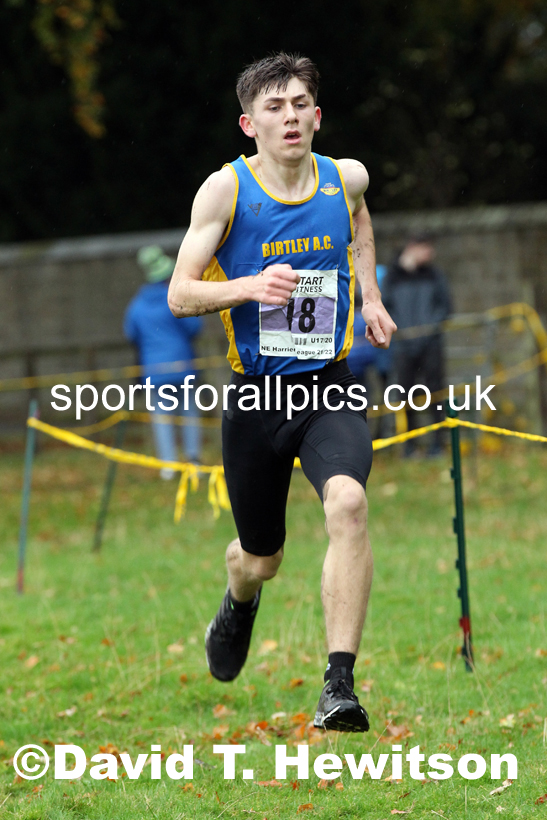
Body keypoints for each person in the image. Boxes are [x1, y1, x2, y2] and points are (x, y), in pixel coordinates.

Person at [168, 53, 396, 732]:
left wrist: (371, 295)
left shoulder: (344, 179)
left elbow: (359, 222)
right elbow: (180, 292)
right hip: (256, 398)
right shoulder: (224, 193)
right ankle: (238, 599)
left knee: (348, 502)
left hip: (328, 388)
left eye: (300, 104)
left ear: (316, 116)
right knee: (260, 558)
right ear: (249, 124)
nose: (289, 116)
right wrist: (247, 287)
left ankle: (338, 688)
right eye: (274, 107)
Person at [124, 245, 203, 477]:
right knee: (189, 414)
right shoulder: (175, 299)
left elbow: (131, 334)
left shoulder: (136, 306)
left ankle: (168, 467)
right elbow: (194, 326)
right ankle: (193, 463)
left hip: (154, 371)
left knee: (161, 418)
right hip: (182, 367)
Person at [381, 234, 453, 457]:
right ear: (412, 248)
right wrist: (402, 332)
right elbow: (385, 308)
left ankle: (438, 444)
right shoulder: (392, 278)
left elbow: (445, 307)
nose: (430, 254)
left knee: (436, 394)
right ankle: (410, 445)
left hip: (431, 346)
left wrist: (429, 332)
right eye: (426, 248)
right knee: (406, 395)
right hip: (403, 348)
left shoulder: (434, 275)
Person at [346, 265, 393, 437]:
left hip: (367, 365)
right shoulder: (344, 302)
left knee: (367, 403)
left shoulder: (371, 306)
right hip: (343, 366)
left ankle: (369, 437)